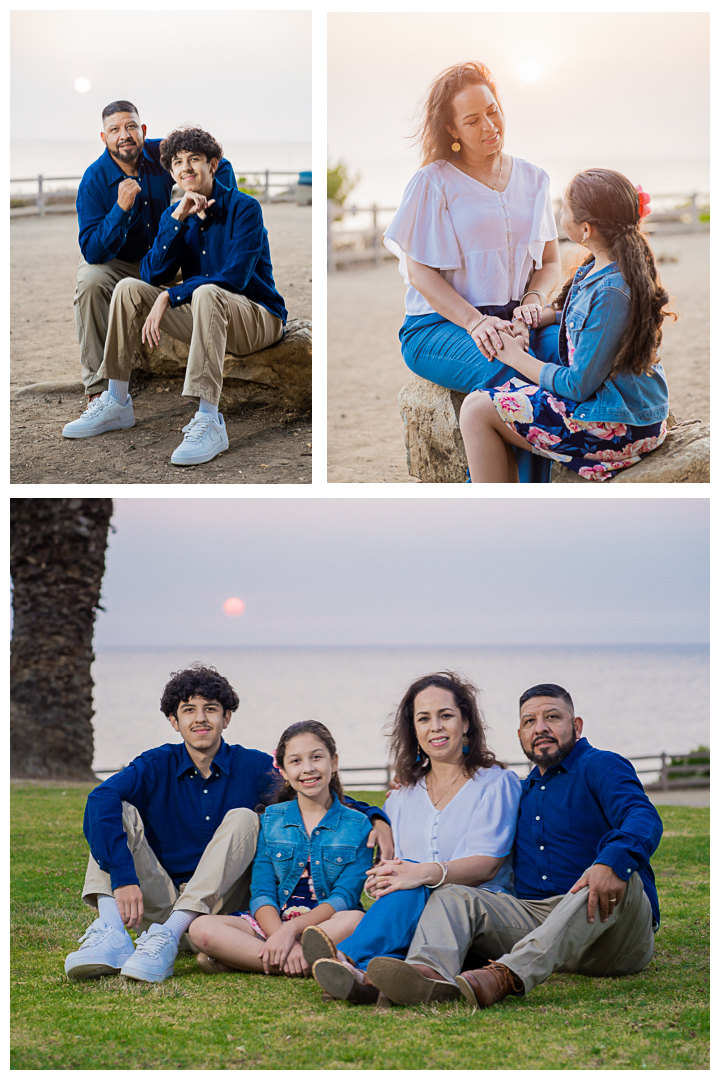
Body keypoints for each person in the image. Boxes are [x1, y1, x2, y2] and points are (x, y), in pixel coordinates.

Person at [63, 664, 392, 985]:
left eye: (211, 708)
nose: (201, 718)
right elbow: (100, 799)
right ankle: (112, 934)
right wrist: (123, 877)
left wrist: (375, 816)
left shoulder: (253, 767)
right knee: (110, 808)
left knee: (243, 818)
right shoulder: (155, 764)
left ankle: (174, 936)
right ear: (173, 721)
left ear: (227, 717)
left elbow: (310, 790)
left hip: (218, 909)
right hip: (159, 903)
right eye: (189, 710)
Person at [367, 683, 663, 1009]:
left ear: (576, 726)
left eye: (552, 717)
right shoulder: (522, 790)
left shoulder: (601, 766)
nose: (541, 728)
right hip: (539, 924)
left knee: (610, 874)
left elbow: (641, 815)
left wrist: (611, 863)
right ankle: (429, 975)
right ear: (520, 734)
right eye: (529, 721)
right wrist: (377, 815)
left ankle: (506, 975)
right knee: (452, 895)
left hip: (612, 932)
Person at [64, 125, 287, 466]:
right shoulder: (176, 214)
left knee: (209, 292)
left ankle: (210, 419)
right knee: (128, 288)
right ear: (171, 172)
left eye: (194, 159)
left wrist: (170, 297)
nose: (186, 168)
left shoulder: (245, 208)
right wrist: (177, 220)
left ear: (214, 164)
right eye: (178, 163)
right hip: (207, 314)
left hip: (258, 317)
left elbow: (234, 279)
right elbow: (151, 274)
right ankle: (117, 401)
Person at [383, 62, 562, 482]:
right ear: (452, 130)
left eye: (493, 110)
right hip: (437, 326)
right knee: (516, 375)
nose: (490, 125)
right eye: (472, 119)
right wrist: (475, 322)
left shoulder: (534, 179)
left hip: (515, 319)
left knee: (567, 357)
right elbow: (420, 273)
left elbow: (550, 262)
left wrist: (533, 304)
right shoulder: (433, 183)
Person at [301, 672, 521, 1004]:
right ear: (414, 731)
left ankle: (345, 957)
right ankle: (362, 977)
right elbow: (397, 871)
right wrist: (383, 878)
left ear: (466, 725)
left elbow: (487, 866)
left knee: (417, 879)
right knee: (408, 883)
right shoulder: (400, 800)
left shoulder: (496, 784)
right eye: (424, 718)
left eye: (445, 715)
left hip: (478, 918)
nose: (435, 726)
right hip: (416, 924)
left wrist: (421, 873)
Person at [459, 170, 672, 482]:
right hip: (613, 410)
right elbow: (592, 320)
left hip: (618, 427)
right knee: (479, 402)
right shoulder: (601, 266)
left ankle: (493, 516)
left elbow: (577, 386)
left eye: (564, 208)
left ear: (585, 228)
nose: (559, 212)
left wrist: (515, 357)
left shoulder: (613, 290)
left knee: (477, 411)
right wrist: (540, 316)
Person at [69, 100, 236, 403]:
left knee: (217, 261)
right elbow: (92, 251)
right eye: (115, 129)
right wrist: (119, 210)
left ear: (143, 130)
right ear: (104, 137)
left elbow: (218, 163)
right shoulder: (93, 181)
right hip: (121, 264)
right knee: (90, 281)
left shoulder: (164, 155)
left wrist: (207, 197)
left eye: (131, 126)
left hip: (169, 259)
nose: (125, 134)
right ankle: (98, 390)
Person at [187, 721, 372, 978]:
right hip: (271, 925)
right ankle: (304, 961)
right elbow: (262, 890)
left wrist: (292, 931)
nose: (307, 768)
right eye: (295, 761)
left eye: (316, 757)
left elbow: (344, 897)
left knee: (356, 920)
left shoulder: (359, 826)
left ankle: (255, 959)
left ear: (334, 762)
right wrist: (279, 933)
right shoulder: (271, 819)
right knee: (201, 928)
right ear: (283, 771)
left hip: (326, 927)